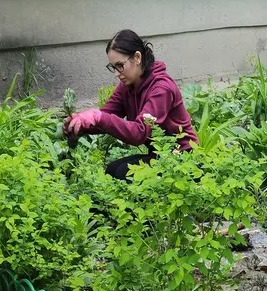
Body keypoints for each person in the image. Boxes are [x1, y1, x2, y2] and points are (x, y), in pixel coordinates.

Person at [65, 29, 198, 179]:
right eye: (113, 67)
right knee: (112, 170)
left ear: (137, 57)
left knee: (123, 173)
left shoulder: (161, 89)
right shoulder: (127, 86)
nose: (117, 73)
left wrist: (98, 117)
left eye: (120, 65)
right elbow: (108, 116)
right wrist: (81, 124)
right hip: (161, 154)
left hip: (183, 158)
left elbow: (139, 133)